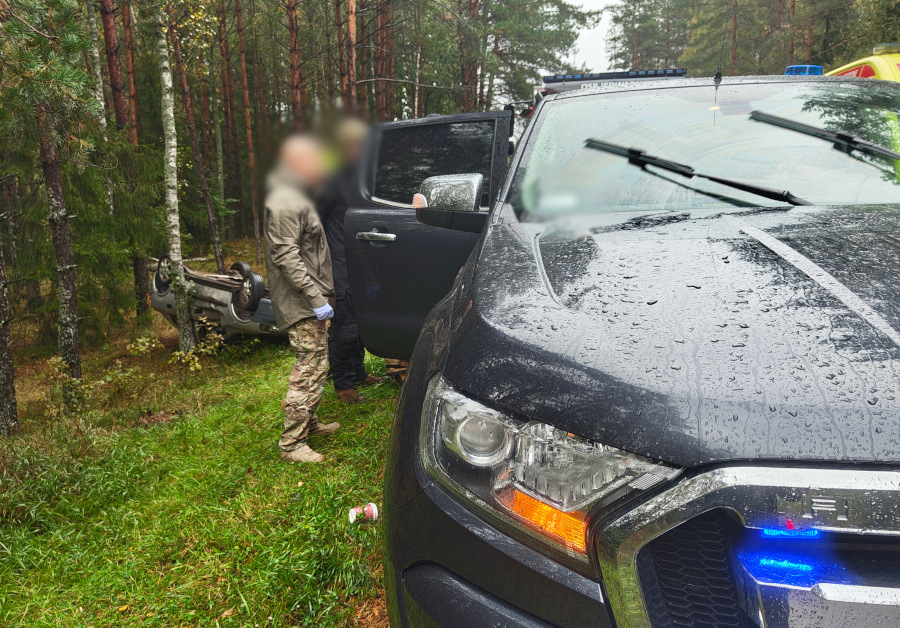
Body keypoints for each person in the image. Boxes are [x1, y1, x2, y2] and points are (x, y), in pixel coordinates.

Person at [264, 134, 339, 464]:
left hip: (311, 299)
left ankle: (308, 424)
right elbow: (286, 256)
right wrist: (314, 298)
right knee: (307, 370)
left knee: (318, 367)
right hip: (302, 302)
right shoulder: (284, 199)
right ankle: (292, 444)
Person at [317, 118, 383, 404]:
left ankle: (358, 371)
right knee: (344, 325)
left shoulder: (362, 180)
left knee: (359, 321)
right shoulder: (331, 180)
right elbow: (314, 222)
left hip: (361, 262)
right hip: (338, 262)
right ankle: (343, 382)